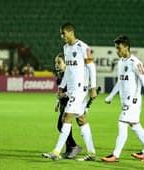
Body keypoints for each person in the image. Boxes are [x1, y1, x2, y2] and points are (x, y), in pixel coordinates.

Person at [42, 23, 97, 161]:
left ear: (71, 32)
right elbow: (68, 71)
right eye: (61, 34)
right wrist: (61, 86)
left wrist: (93, 87)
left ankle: (56, 151)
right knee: (81, 120)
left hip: (80, 90)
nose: (62, 37)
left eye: (63, 34)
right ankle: (91, 153)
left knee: (66, 117)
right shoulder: (66, 48)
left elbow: (92, 68)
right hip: (72, 89)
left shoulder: (84, 48)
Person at [101, 35, 144, 163]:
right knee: (135, 126)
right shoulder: (121, 62)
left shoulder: (135, 63)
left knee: (122, 123)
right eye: (116, 48)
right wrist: (110, 96)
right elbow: (120, 82)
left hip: (133, 101)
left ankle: (116, 155)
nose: (117, 51)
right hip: (125, 100)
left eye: (119, 48)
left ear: (126, 47)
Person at [43, 53, 82, 159]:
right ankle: (69, 150)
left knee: (62, 125)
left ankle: (74, 146)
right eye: (55, 62)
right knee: (64, 126)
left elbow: (73, 90)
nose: (56, 65)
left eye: (59, 62)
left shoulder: (69, 75)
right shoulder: (60, 75)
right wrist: (57, 102)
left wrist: (63, 95)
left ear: (66, 64)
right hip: (64, 103)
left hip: (71, 102)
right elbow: (60, 90)